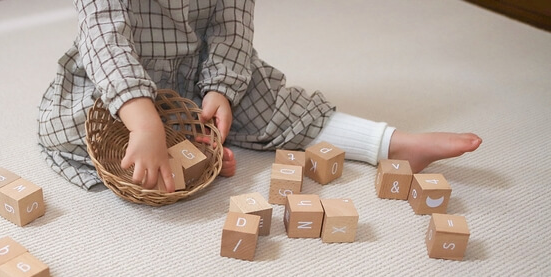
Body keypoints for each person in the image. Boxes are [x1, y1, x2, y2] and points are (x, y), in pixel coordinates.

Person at [38, 0, 481, 191]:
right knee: (75, 128)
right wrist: (143, 119)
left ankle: (390, 144)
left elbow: (233, 29)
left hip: (200, 69)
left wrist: (222, 90)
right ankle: (172, 148)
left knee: (273, 103)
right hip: (122, 80)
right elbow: (103, 38)